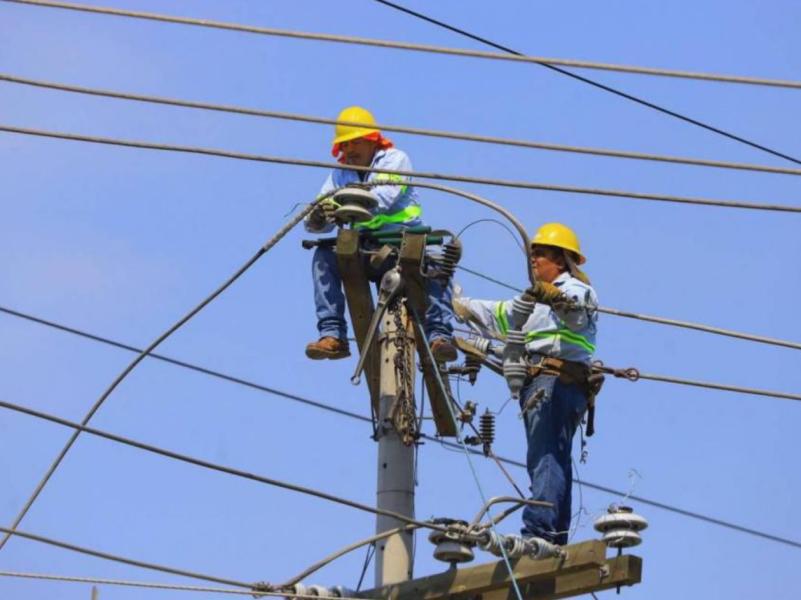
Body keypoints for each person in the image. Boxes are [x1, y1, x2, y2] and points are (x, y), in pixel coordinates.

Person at [454, 223, 598, 546]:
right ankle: (554, 535)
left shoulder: (577, 289)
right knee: (555, 458)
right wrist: (463, 307)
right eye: (533, 255)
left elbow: (575, 311)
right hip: (543, 384)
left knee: (545, 457)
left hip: (557, 382)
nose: (533, 261)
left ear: (561, 260)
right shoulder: (531, 304)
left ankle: (539, 531)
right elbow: (499, 315)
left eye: (541, 255)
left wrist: (555, 296)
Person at [304, 106, 456, 361]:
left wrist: (339, 208)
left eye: (355, 143)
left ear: (372, 140)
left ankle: (439, 338)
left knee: (438, 265)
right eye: (345, 145)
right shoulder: (340, 173)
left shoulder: (395, 159)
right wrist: (319, 216)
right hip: (364, 250)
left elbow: (380, 199)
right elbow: (315, 218)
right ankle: (333, 335)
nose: (349, 151)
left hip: (402, 247)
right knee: (323, 256)